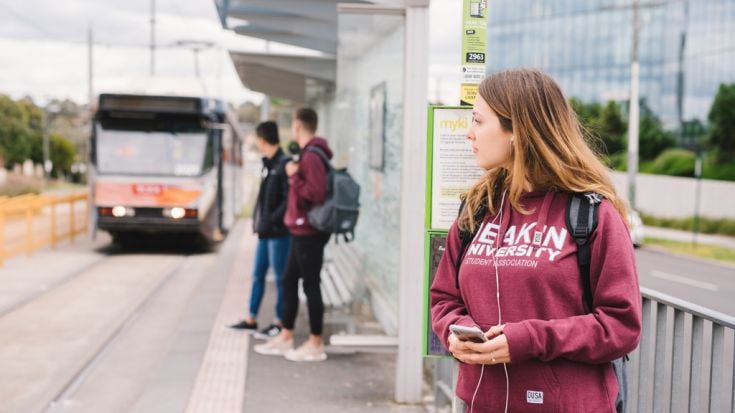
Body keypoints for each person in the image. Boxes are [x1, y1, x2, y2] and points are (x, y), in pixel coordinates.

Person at [430, 69, 642, 412]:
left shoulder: (593, 215)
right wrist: (460, 333)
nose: (469, 134)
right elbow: (443, 298)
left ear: (517, 130)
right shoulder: (477, 209)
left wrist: (527, 340)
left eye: (478, 121)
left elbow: (621, 325)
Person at [254, 108, 332, 362]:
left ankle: (315, 343)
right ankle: (286, 335)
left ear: (298, 127)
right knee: (288, 281)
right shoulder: (309, 155)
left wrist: (293, 178)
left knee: (310, 286)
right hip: (301, 230)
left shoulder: (311, 157)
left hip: (309, 231)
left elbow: (316, 193)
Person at [230, 121, 291, 339]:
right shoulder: (268, 164)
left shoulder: (284, 164)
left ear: (262, 139)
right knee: (257, 275)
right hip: (266, 233)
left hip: (279, 233)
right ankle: (251, 319)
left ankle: (280, 321)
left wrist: (272, 220)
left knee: (280, 278)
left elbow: (288, 200)